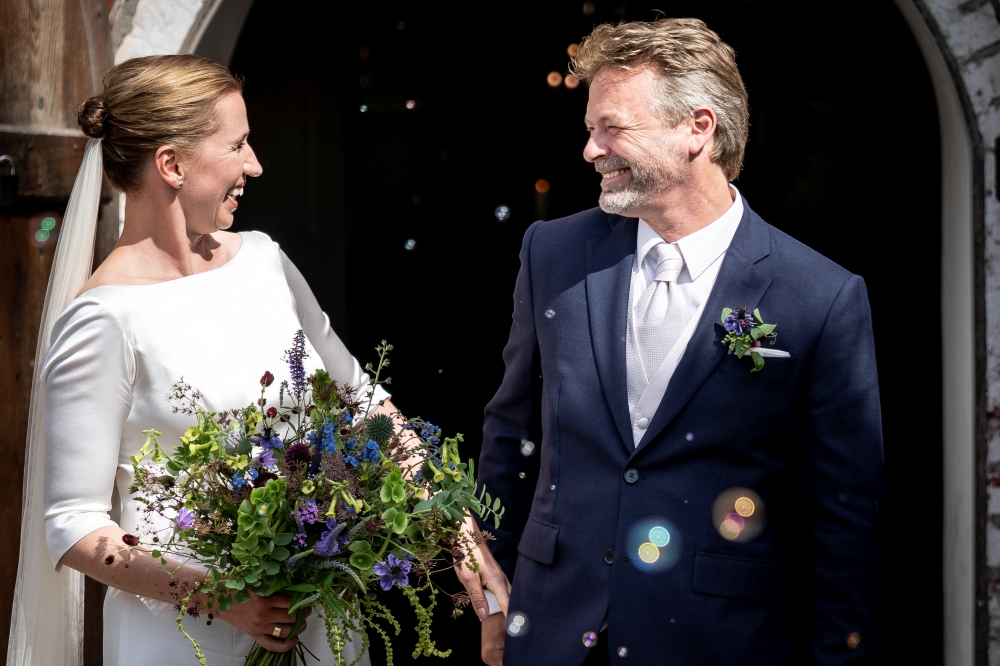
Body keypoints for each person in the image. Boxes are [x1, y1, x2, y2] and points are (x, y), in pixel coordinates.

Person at [457, 18, 884, 665]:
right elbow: (509, 437)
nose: (591, 150)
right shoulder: (555, 254)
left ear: (698, 128)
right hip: (552, 636)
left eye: (613, 128)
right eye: (589, 129)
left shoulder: (818, 298)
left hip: (718, 643)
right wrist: (492, 599)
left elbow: (846, 528)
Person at [10, 55, 394, 665]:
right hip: (185, 643)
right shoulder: (105, 319)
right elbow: (74, 525)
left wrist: (443, 512)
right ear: (171, 164)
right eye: (238, 144)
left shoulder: (265, 261)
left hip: (321, 627)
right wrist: (220, 596)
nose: (255, 165)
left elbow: (360, 400)